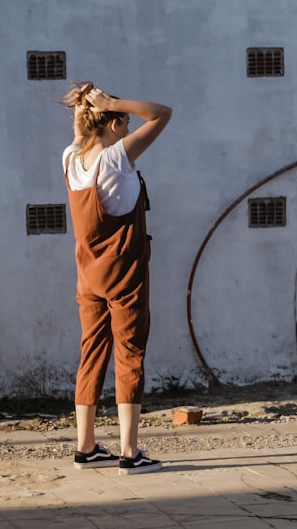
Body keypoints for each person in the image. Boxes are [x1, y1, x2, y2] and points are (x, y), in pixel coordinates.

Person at [61, 81, 172, 475]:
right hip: (124, 272)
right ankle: (129, 452)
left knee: (91, 353)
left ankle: (86, 447)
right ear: (111, 124)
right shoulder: (116, 158)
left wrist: (86, 114)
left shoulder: (71, 159)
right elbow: (162, 113)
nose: (129, 125)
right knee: (130, 354)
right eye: (124, 120)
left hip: (88, 274)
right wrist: (114, 102)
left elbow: (78, 136)